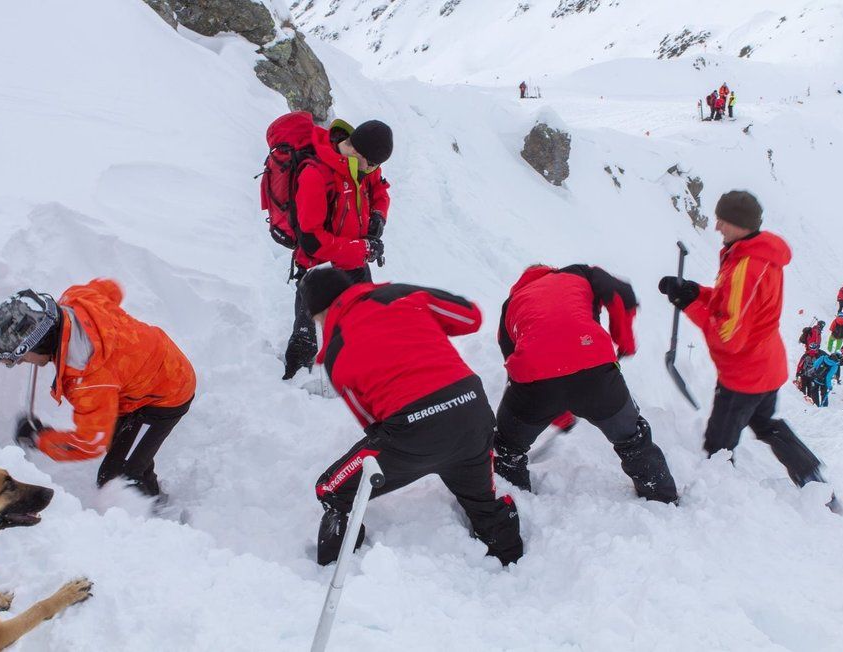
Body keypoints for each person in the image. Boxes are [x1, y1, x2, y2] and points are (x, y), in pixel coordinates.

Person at [299, 268, 523, 566]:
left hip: (413, 431)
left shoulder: (336, 353)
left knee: (331, 489)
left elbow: (372, 424)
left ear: (320, 313)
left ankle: (334, 567)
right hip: (472, 411)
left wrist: (417, 447)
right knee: (482, 503)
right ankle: (512, 562)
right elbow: (470, 318)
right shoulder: (401, 295)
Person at [658, 190, 834, 499]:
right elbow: (731, 303)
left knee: (718, 444)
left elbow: (729, 334)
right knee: (765, 423)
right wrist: (694, 292)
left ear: (740, 224)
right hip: (765, 365)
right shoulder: (752, 253)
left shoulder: (747, 266)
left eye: (722, 221)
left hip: (745, 375)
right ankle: (813, 480)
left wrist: (688, 304)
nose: (717, 228)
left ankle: (716, 504)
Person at [0, 280, 196, 498]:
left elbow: (90, 442)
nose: (19, 362)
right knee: (124, 451)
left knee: (117, 478)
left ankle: (152, 516)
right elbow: (110, 289)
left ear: (39, 343)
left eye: (20, 357)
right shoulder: (75, 299)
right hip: (143, 374)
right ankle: (145, 480)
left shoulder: (89, 378)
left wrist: (39, 438)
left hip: (165, 394)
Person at [492, 264, 678, 503]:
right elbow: (621, 294)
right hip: (596, 372)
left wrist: (558, 416)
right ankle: (661, 497)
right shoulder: (580, 273)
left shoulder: (511, 304)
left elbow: (512, 363)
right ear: (552, 271)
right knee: (632, 438)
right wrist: (625, 341)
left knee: (507, 448)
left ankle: (514, 506)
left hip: (536, 385)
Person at [282, 118, 393, 380]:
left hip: (354, 258)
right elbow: (312, 241)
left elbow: (380, 189)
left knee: (365, 317)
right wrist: (363, 249)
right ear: (356, 151)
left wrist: (378, 214)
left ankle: (363, 371)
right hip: (316, 268)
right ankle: (294, 383)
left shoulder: (364, 165)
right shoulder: (315, 175)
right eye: (374, 164)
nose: (375, 170)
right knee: (305, 334)